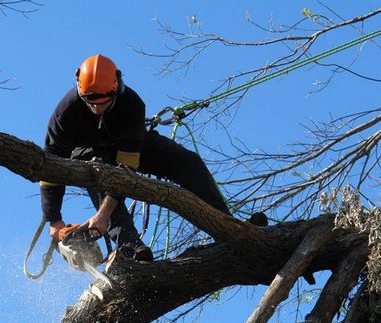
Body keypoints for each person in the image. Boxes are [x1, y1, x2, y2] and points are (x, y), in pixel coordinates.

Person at [40, 54, 247, 262]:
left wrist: (102, 217)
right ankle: (131, 246)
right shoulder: (65, 115)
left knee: (187, 162)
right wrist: (54, 219)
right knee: (98, 171)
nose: (96, 107)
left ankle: (228, 226)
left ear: (115, 88)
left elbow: (125, 171)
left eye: (102, 103)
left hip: (128, 147)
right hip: (88, 154)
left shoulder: (131, 105)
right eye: (90, 102)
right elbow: (49, 166)